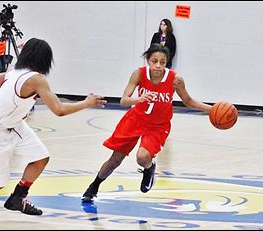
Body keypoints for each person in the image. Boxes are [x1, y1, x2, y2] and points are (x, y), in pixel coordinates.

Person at [0, 38, 106, 219]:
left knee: (40, 157)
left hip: (13, 124)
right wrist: (86, 102)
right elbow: (59, 110)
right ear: (45, 60)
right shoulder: (36, 79)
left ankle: (18, 197)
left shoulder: (14, 73)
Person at [81, 44, 211, 203]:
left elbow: (188, 101)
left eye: (162, 62)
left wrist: (212, 109)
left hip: (158, 125)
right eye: (154, 61)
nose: (158, 65)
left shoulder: (175, 80)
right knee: (114, 160)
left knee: (142, 157)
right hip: (135, 119)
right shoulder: (139, 74)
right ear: (148, 60)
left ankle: (149, 168)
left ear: (166, 63)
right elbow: (123, 100)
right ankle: (94, 187)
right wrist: (138, 99)